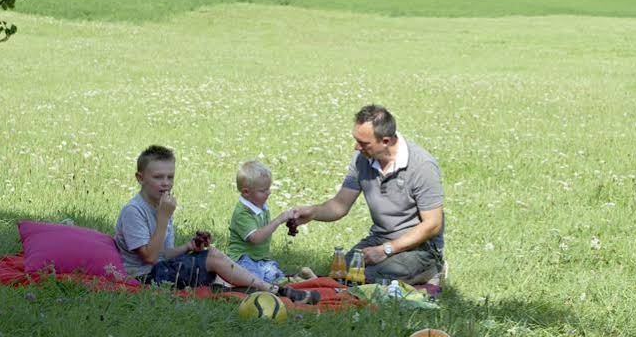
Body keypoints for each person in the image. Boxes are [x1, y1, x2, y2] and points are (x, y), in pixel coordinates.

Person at [114, 145, 317, 304]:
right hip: (145, 278)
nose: (166, 183)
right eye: (158, 177)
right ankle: (275, 290)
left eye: (170, 177)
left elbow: (163, 253)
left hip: (161, 268)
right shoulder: (135, 211)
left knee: (211, 254)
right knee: (212, 258)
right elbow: (149, 258)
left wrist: (188, 248)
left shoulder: (162, 204)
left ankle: (252, 288)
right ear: (140, 178)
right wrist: (164, 217)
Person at [294, 105, 444, 285]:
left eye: (364, 143)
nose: (357, 147)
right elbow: (340, 204)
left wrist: (385, 250)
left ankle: (432, 269)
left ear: (386, 141)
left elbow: (433, 224)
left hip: (420, 247)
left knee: (372, 278)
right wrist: (312, 213)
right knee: (342, 272)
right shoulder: (362, 159)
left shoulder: (422, 166)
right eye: (356, 140)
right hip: (381, 238)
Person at [226, 159, 316, 284]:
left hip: (261, 259)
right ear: (246, 192)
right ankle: (296, 282)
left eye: (268, 188)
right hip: (242, 259)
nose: (269, 192)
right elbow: (255, 238)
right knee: (254, 281)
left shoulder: (260, 205)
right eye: (263, 190)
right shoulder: (243, 213)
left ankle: (298, 279)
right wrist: (278, 220)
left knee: (276, 277)